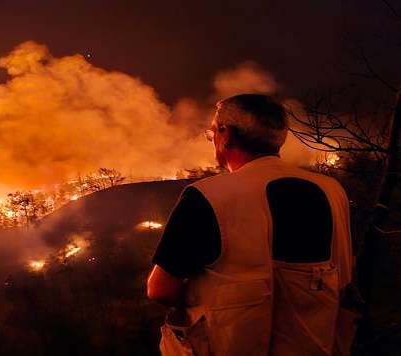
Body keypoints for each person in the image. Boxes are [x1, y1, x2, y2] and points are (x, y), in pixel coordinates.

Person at [147, 94, 354, 355]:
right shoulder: (332, 190)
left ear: (226, 133)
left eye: (212, 133)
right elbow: (345, 279)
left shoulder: (207, 196)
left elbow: (159, 289)